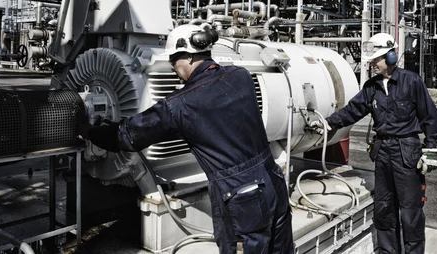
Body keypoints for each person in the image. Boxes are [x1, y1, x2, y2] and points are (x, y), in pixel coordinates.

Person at [81, 24, 294, 253]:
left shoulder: (180, 104)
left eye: (173, 61)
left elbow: (127, 136)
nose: (173, 67)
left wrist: (89, 131)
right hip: (273, 181)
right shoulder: (241, 76)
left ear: (188, 57)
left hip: (242, 196)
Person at [323, 32, 437, 254]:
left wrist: (431, 151)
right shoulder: (372, 87)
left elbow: (432, 119)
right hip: (383, 153)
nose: (373, 64)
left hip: (406, 153)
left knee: (410, 211)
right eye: (371, 60)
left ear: (391, 57)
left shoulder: (411, 81)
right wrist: (326, 123)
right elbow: (352, 111)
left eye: (377, 59)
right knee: (384, 208)